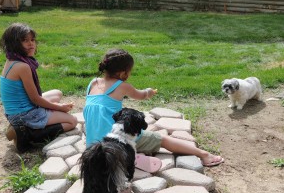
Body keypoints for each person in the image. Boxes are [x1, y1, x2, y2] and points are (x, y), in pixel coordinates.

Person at [83, 48, 224, 167]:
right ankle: (204, 154)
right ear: (123, 72)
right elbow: (141, 95)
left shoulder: (93, 83)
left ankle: (122, 156)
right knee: (162, 139)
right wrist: (149, 92)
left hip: (93, 145)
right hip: (115, 141)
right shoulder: (122, 86)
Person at [0, 23, 78, 152]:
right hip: (25, 114)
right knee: (72, 121)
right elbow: (35, 99)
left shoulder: (12, 60)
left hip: (16, 111)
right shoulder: (23, 67)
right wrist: (60, 108)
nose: (31, 44)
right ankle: (27, 134)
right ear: (14, 44)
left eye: (32, 40)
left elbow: (33, 96)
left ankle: (20, 127)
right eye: (25, 41)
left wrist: (53, 106)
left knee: (57, 94)